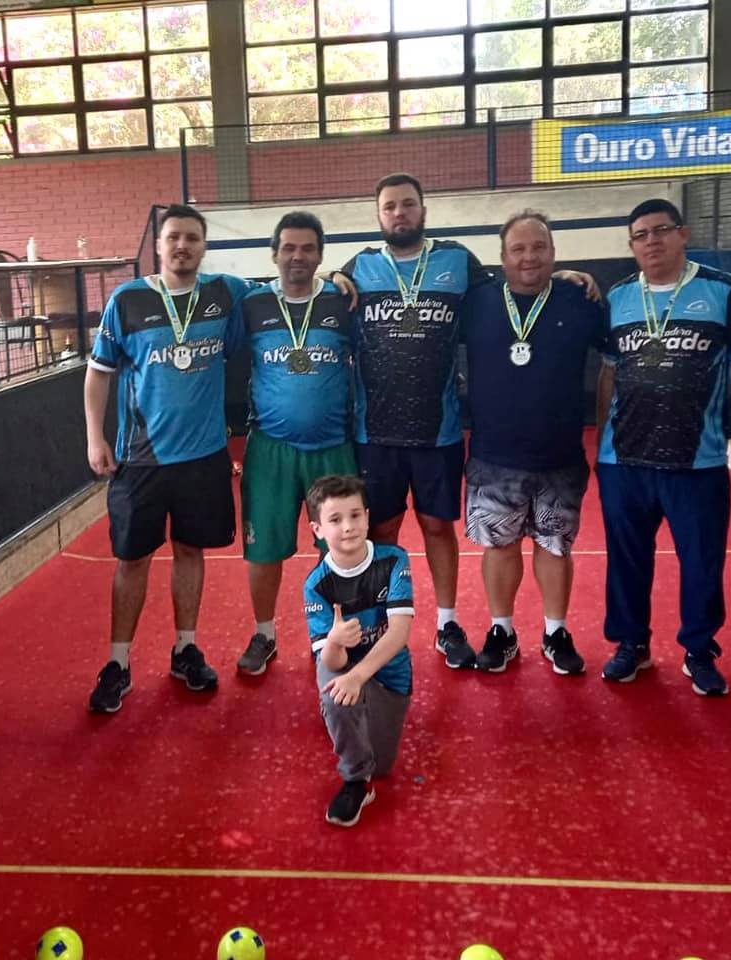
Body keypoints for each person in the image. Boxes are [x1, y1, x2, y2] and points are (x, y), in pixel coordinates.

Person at [596, 198, 731, 696]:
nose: (651, 241)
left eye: (661, 230)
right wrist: (602, 443)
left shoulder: (723, 291)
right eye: (641, 235)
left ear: (682, 234)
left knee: (701, 561)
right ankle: (632, 644)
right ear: (631, 245)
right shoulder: (618, 297)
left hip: (697, 460)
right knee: (626, 559)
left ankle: (699, 649)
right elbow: (608, 374)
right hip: (624, 460)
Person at [85, 203, 249, 712]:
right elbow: (98, 374)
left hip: (204, 455)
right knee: (132, 559)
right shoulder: (127, 300)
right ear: (158, 245)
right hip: (141, 458)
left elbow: (285, 293)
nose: (182, 246)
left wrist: (338, 278)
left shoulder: (226, 294)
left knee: (190, 551)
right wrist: (94, 438)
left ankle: (185, 649)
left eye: (192, 238)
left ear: (204, 246)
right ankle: (118, 662)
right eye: (173, 237)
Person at [335, 172, 489, 670]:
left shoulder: (458, 262)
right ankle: (378, 624)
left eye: (407, 204)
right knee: (381, 531)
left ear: (423, 210)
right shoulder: (358, 268)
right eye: (389, 206)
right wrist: (331, 277)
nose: (399, 213)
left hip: (436, 431)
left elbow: (508, 301)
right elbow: (318, 296)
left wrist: (564, 281)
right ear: (378, 215)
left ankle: (447, 623)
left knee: (437, 526)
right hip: (374, 433)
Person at [463, 211, 605, 673]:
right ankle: (501, 631)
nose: (529, 257)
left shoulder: (579, 299)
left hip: (560, 456)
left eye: (538, 247)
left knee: (555, 547)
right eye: (518, 249)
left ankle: (554, 632)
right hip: (494, 456)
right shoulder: (477, 302)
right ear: (502, 257)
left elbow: (612, 360)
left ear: (554, 253)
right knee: (499, 548)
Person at [235, 211, 356, 675]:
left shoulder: (342, 302)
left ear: (320, 255)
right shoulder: (251, 304)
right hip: (271, 449)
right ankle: (264, 634)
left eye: (307, 248)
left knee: (340, 548)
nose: (297, 256)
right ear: (274, 254)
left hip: (332, 446)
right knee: (263, 549)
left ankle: (332, 633)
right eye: (288, 248)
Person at [303, 474, 413, 827]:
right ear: (318, 530)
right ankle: (356, 782)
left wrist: (359, 676)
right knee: (336, 693)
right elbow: (331, 661)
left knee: (382, 765)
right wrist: (336, 640)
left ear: (367, 517)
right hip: (345, 668)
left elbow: (399, 633)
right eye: (335, 520)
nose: (348, 527)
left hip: (388, 674)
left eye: (355, 515)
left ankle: (347, 718)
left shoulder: (394, 560)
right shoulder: (316, 584)